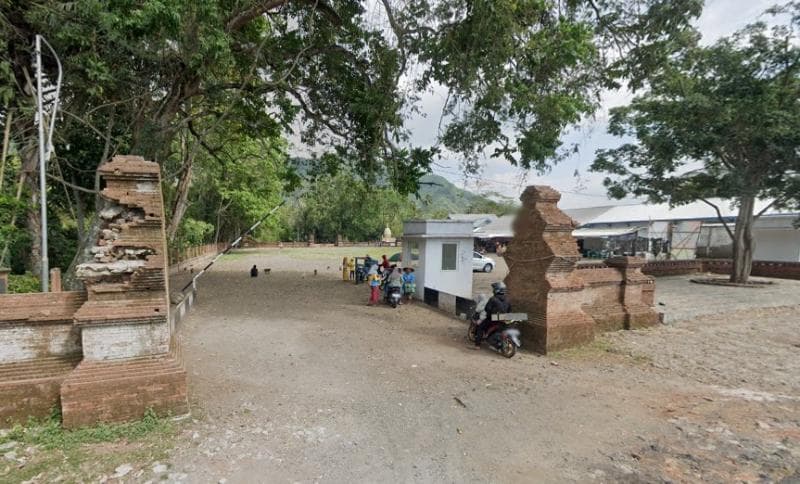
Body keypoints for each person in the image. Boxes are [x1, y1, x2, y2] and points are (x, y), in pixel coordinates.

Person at [471, 282, 511, 349]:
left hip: (492, 319)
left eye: (494, 289)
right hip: (504, 319)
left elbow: (487, 309)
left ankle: (477, 345)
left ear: (496, 290)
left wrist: (490, 314)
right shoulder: (507, 299)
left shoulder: (492, 299)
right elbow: (509, 310)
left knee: (480, 328)